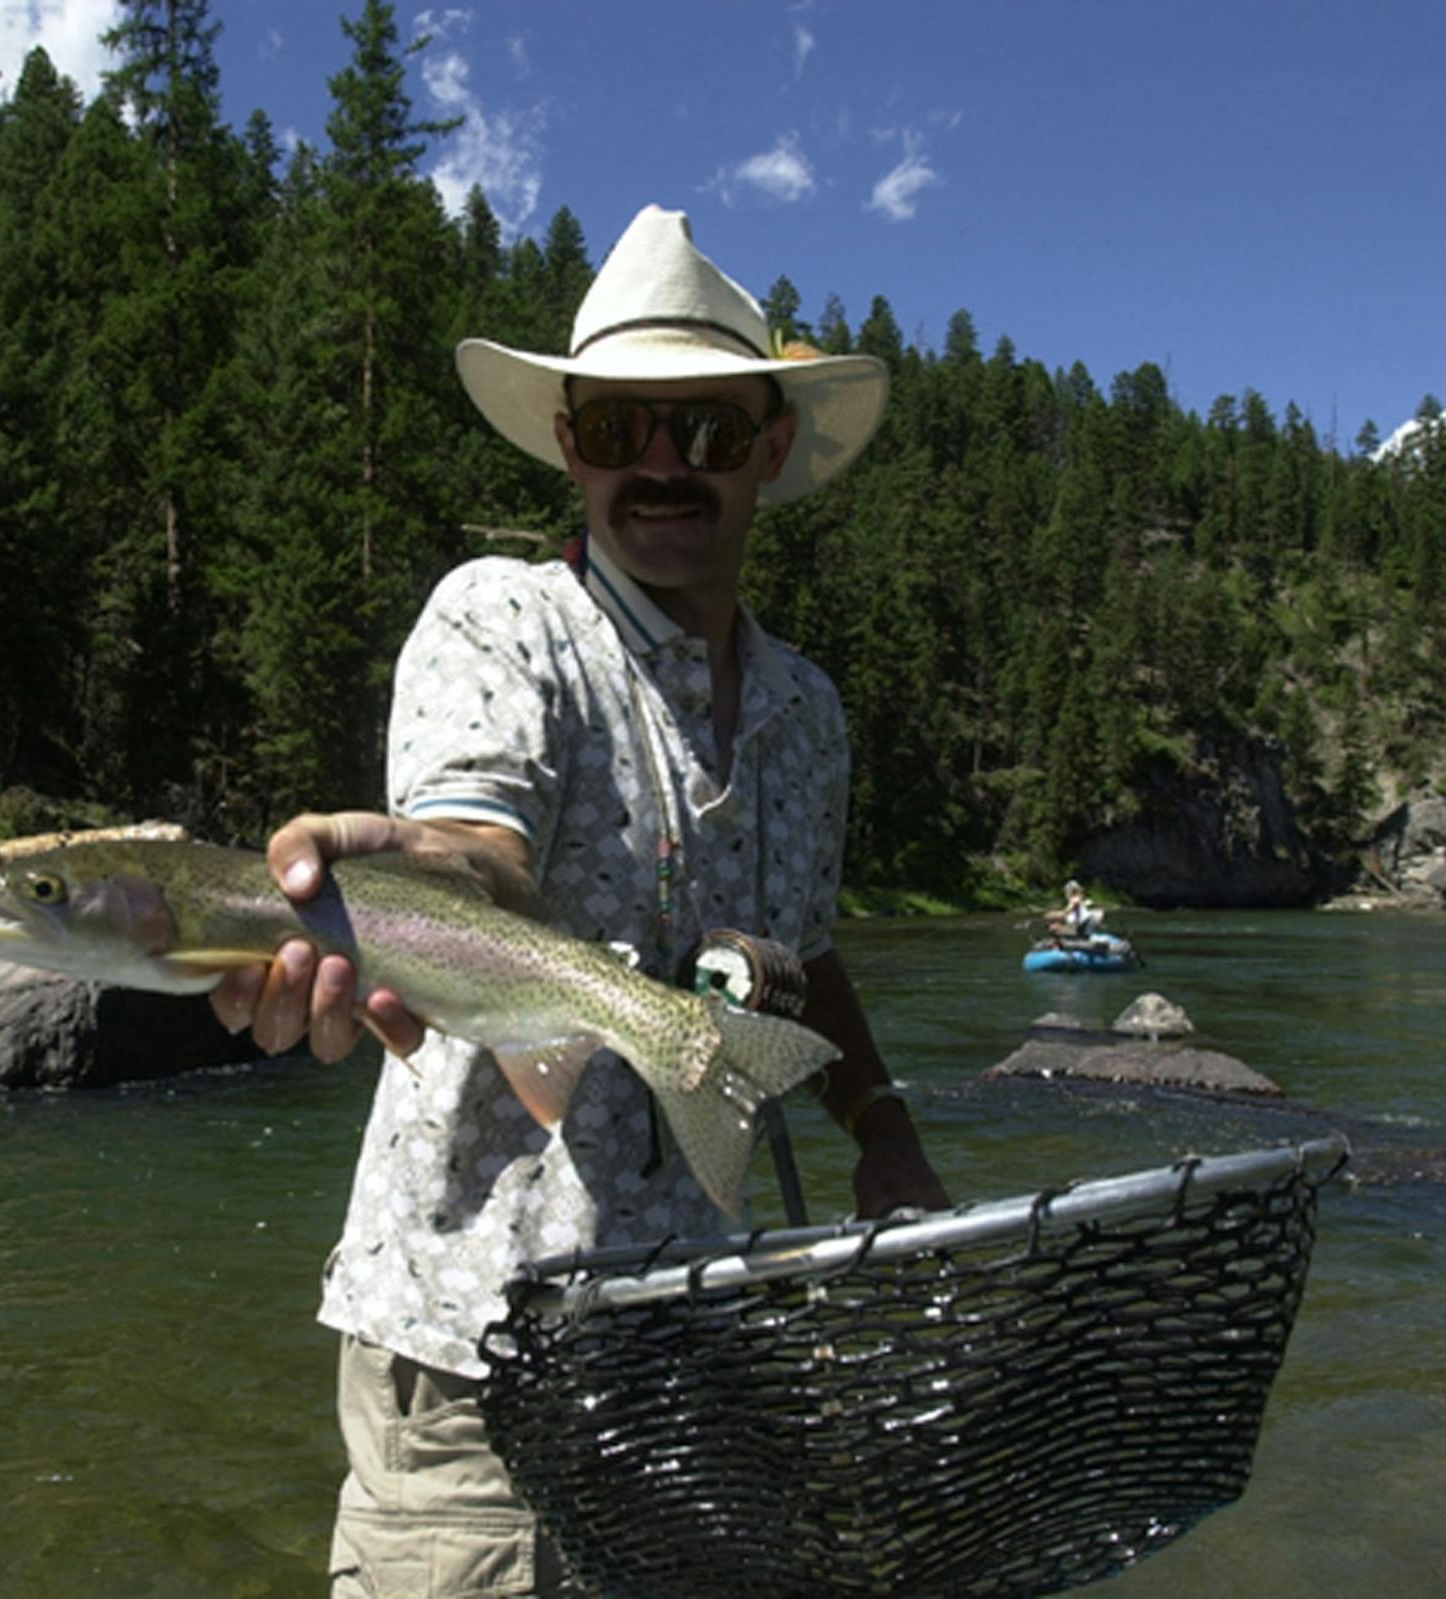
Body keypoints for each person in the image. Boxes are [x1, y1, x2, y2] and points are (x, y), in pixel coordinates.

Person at [212, 204, 951, 1596]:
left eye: (711, 434)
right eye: (620, 429)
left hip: (700, 1347)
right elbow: (477, 845)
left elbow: (813, 956)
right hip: (477, 1353)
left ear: (770, 450)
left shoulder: (813, 715)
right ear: (570, 446)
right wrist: (416, 879)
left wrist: (886, 1136)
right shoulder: (501, 621)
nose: (663, 467)